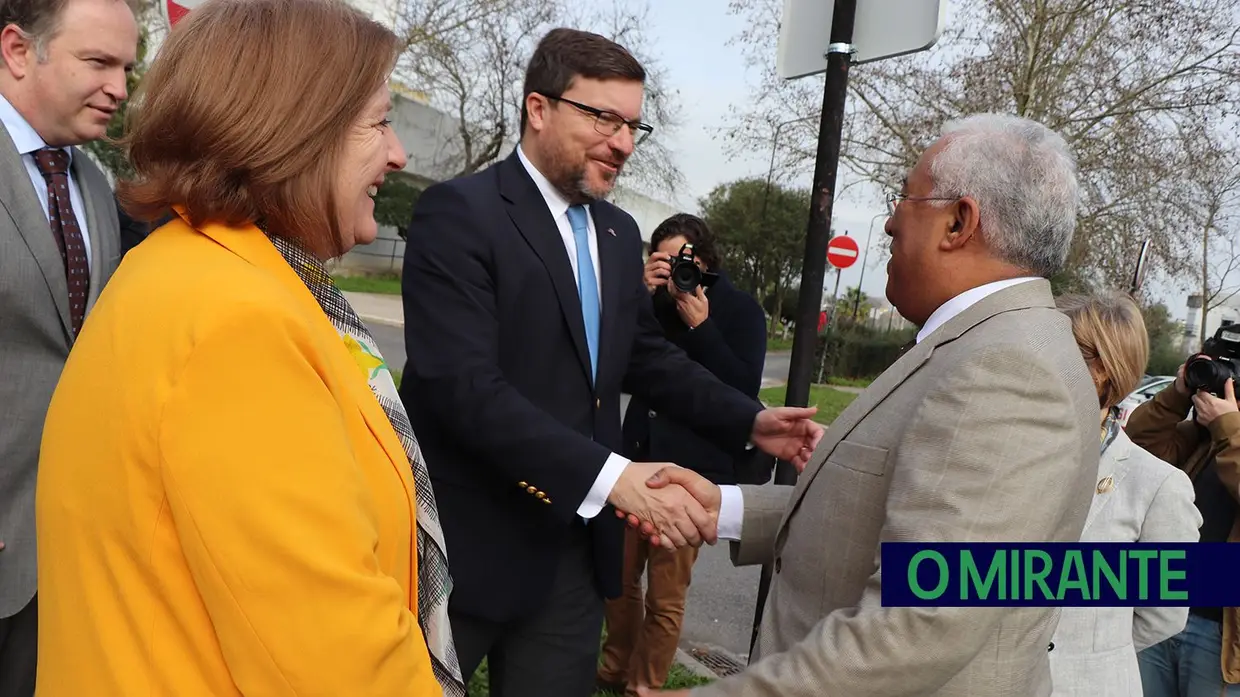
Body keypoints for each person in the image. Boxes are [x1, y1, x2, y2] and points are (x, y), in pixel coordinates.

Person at [34, 1, 462, 695]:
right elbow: (336, 662)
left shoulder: (195, 267)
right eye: (379, 122)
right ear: (296, 132)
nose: (398, 153)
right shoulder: (238, 321)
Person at [398, 27, 822, 697]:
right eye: (604, 118)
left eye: (632, 126)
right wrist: (612, 475)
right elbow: (462, 387)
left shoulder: (619, 233)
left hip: (573, 559)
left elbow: (646, 359)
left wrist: (751, 421)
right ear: (539, 108)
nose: (622, 142)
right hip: (466, 545)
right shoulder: (460, 213)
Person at [632, 114, 1102, 697]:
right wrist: (727, 509)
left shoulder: (1006, 370)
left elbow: (921, 623)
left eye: (905, 198)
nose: (887, 223)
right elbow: (885, 516)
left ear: (958, 222)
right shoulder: (987, 345)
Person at [0, 0, 135, 693]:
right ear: (19, 51)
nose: (120, 87)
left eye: (126, 68)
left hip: (58, 555)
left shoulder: (93, 180)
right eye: (99, 62)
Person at [597, 214, 767, 696]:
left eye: (683, 260)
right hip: (637, 462)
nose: (675, 271)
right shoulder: (649, 306)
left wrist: (702, 327)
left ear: (705, 261)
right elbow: (619, 368)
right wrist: (637, 292)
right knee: (619, 580)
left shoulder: (741, 310)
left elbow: (741, 390)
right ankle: (614, 668)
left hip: (692, 474)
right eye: (664, 260)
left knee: (666, 597)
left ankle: (643, 687)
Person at [1048, 292, 1201, 697]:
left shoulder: (1157, 487)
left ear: (1103, 369)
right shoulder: (999, 455)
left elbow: (1162, 615)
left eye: (1053, 348)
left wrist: (1087, 649)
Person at [1126, 345, 1240, 695]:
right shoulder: (1208, 436)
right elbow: (1139, 446)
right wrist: (1177, 396)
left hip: (1220, 634)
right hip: (1163, 612)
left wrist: (1229, 429)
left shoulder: (1225, 433)